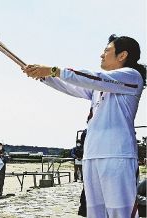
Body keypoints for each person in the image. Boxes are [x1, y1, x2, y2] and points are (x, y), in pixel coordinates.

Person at [23, 35, 146, 217]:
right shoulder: (99, 87)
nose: (101, 55)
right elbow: (72, 86)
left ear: (122, 55)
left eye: (106, 50)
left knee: (121, 212)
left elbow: (92, 78)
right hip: (92, 155)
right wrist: (42, 76)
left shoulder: (132, 77)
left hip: (117, 156)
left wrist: (53, 70)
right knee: (95, 212)